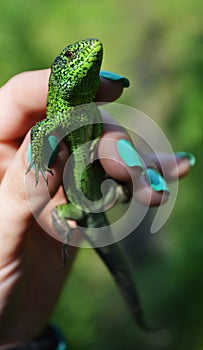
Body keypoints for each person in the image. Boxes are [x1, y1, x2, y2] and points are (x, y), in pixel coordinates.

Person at [0, 69, 194, 349]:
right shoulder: (58, 110)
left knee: (114, 161)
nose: (91, 48)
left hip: (91, 191)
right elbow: (41, 130)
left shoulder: (87, 109)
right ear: (58, 77)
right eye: (69, 58)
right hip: (79, 208)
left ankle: (124, 185)